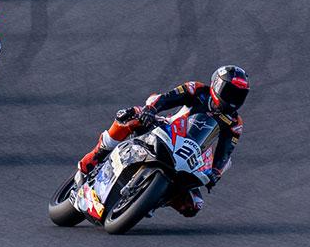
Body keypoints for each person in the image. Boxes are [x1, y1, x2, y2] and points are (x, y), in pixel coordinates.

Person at [76, 65, 249, 217]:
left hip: (190, 153)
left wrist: (216, 172)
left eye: (239, 96)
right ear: (217, 85)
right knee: (130, 116)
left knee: (193, 206)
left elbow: (225, 151)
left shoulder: (235, 123)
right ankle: (97, 156)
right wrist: (151, 110)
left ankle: (151, 201)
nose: (233, 99)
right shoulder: (197, 90)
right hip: (167, 129)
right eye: (229, 92)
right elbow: (167, 98)